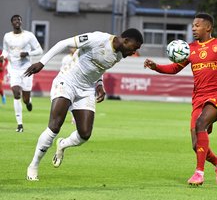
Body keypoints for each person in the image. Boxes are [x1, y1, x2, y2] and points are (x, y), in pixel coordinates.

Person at [144, 13, 217, 186]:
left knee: (201, 124)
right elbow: (174, 68)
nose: (193, 28)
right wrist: (156, 66)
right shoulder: (189, 49)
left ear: (208, 27)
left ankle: (199, 173)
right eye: (193, 25)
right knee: (196, 145)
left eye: (197, 25)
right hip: (199, 97)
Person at [25, 28, 143, 181]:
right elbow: (63, 43)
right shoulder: (97, 39)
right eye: (135, 47)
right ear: (125, 40)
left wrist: (100, 84)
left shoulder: (120, 54)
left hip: (87, 89)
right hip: (67, 81)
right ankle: (34, 165)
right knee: (55, 125)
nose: (134, 52)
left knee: (85, 134)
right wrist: (42, 62)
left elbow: (99, 68)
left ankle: (62, 144)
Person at [0, 14, 43, 132]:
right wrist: (2, 56)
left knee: (25, 98)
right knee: (16, 94)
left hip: (27, 69)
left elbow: (39, 50)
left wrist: (28, 54)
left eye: (19, 19)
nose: (17, 21)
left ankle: (28, 102)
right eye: (14, 20)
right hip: (13, 69)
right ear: (12, 23)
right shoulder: (7, 36)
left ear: (21, 22)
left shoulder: (29, 36)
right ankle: (20, 124)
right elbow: (5, 50)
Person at [60, 47, 79, 124]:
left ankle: (75, 116)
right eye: (71, 47)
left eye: (74, 48)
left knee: (76, 100)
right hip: (67, 80)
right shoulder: (66, 58)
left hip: (77, 81)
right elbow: (62, 69)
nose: (72, 49)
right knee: (67, 99)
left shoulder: (79, 57)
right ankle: (73, 116)